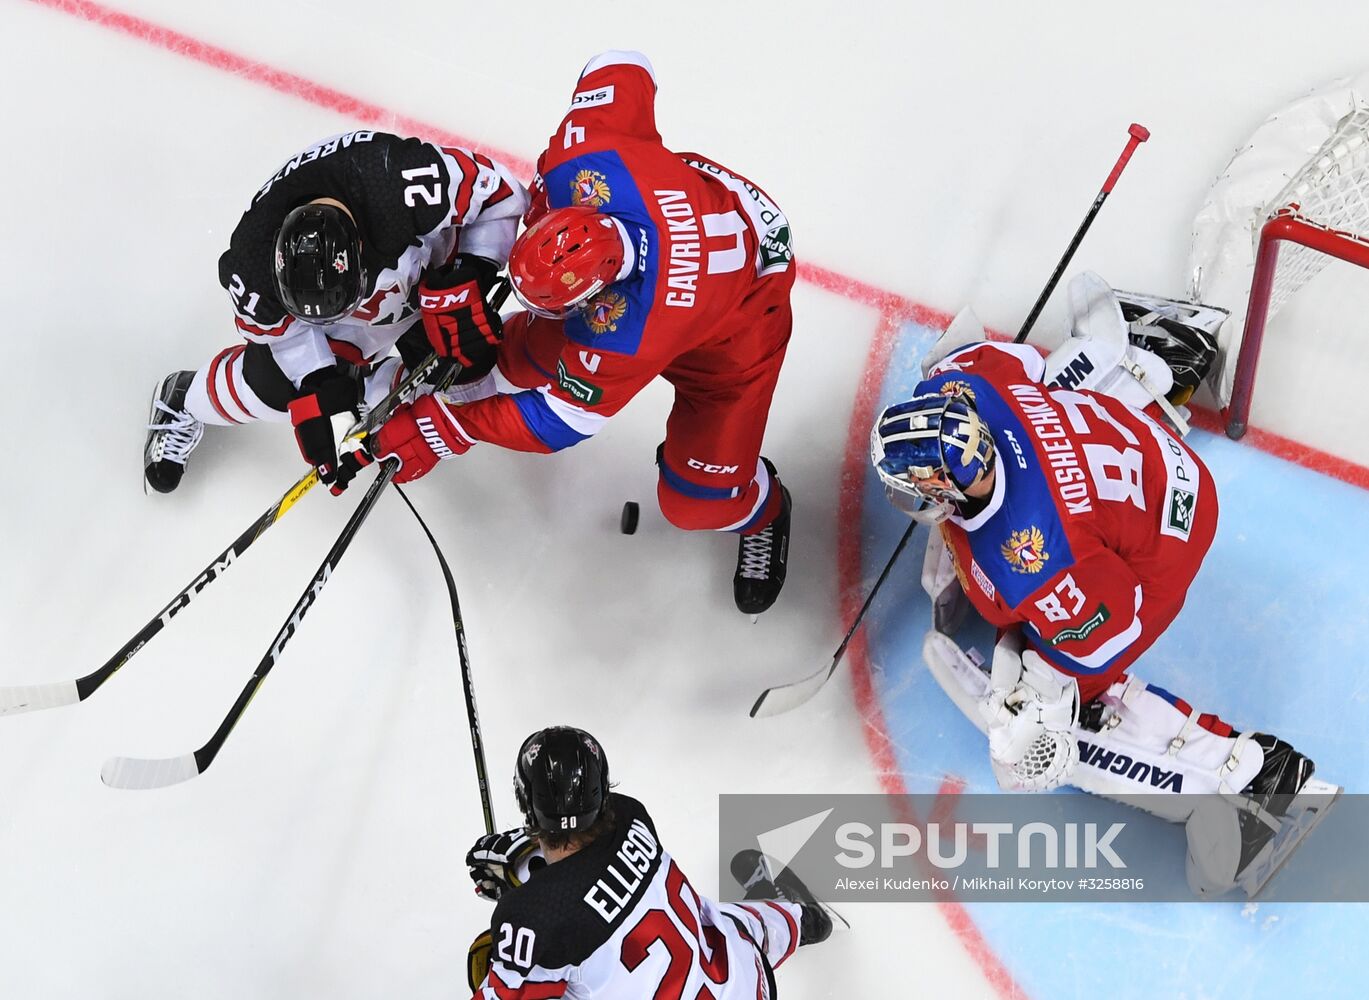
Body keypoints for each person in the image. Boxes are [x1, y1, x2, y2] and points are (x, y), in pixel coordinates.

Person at [869, 284, 1337, 896]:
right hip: (1139, 458)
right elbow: (1024, 367)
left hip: (1165, 546)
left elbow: (1111, 624)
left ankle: (1257, 781)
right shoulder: (964, 392)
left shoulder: (1032, 557)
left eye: (912, 490)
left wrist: (1039, 689)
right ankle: (1152, 360)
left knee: (1050, 717)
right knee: (1050, 403)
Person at [364, 51, 799, 615]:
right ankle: (454, 384)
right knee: (513, 355)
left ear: (598, 297)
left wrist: (450, 428)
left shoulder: (633, 327)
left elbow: (559, 422)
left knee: (698, 503)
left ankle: (763, 504)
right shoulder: (587, 154)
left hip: (736, 332)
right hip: (688, 214)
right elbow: (619, 66)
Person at [143, 130, 527, 495]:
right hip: (357, 315)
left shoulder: (402, 182)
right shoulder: (250, 263)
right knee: (276, 388)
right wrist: (317, 378)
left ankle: (374, 385)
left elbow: (503, 194)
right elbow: (281, 334)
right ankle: (185, 398)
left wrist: (473, 271)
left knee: (471, 378)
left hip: (436, 279)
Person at [463, 726, 830, 999]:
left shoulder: (532, 920)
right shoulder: (631, 816)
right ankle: (802, 918)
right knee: (710, 924)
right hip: (749, 984)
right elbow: (584, 871)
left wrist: (518, 920)